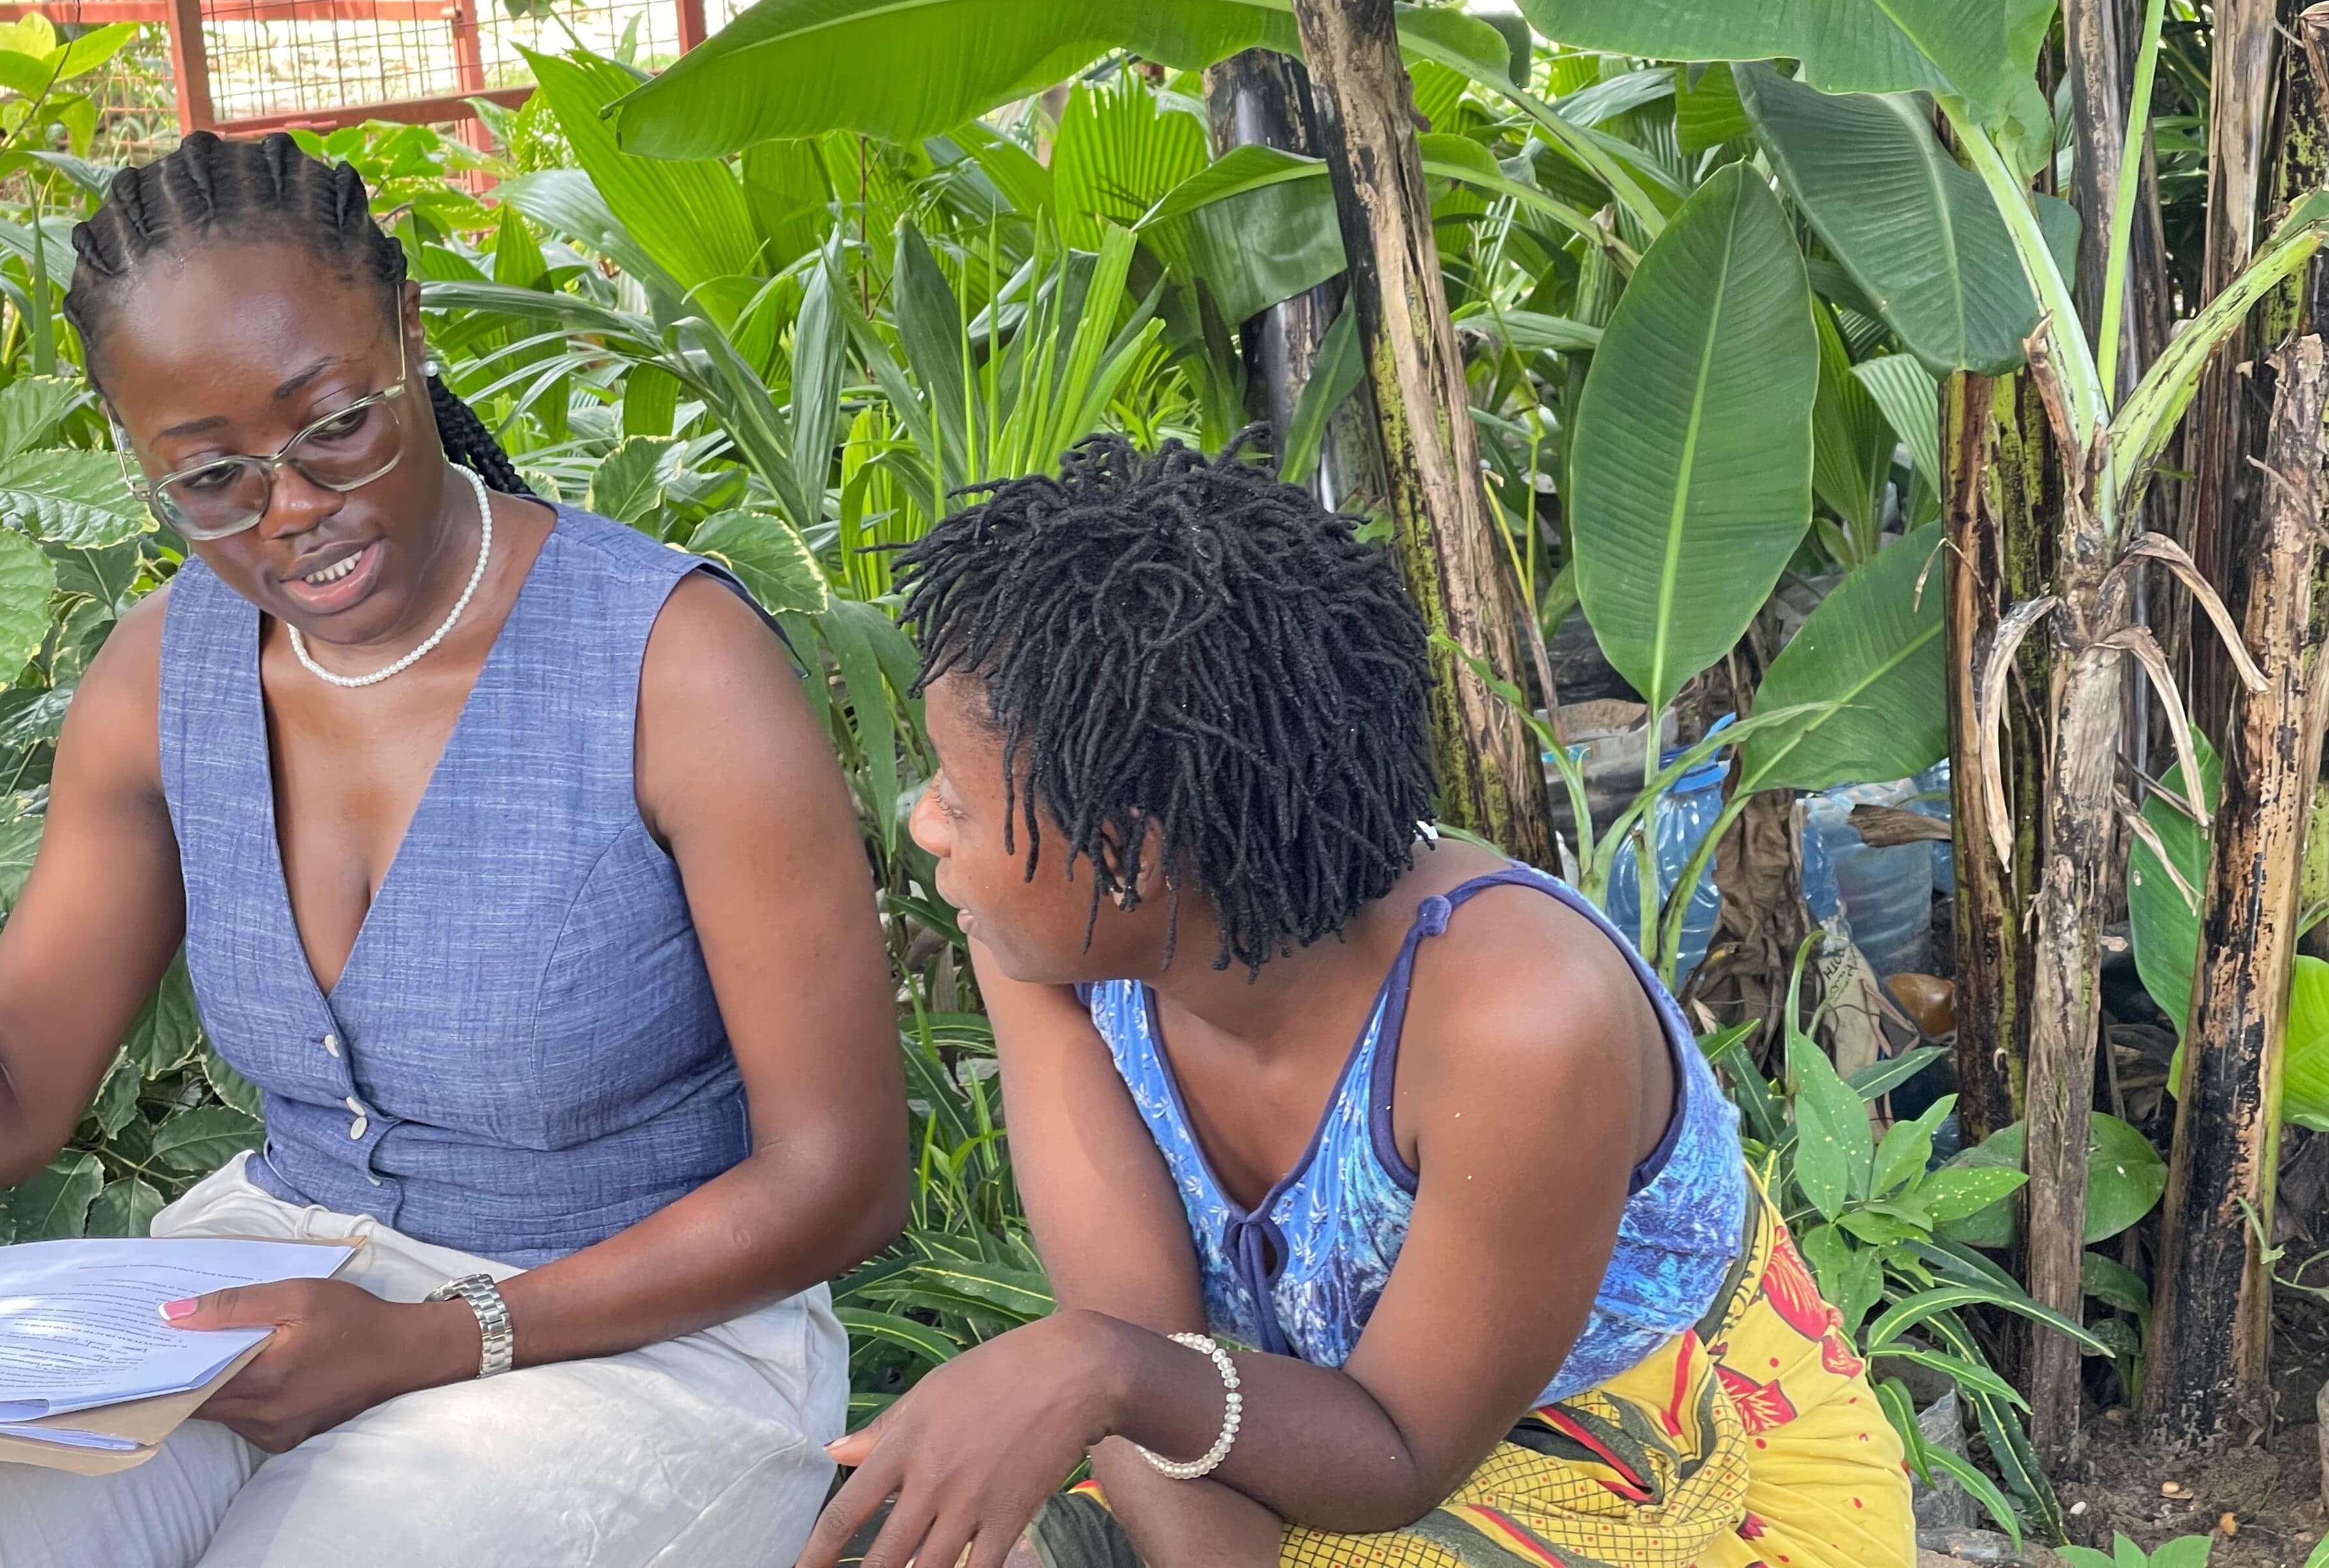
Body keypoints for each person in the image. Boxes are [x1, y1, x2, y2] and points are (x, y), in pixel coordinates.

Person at [0, 130, 908, 1568]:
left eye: (336, 425)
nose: (294, 511)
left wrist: (431, 1339)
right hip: (280, 1285)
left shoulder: (674, 666)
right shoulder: (163, 675)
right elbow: (4, 1085)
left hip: (636, 1333)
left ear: (407, 334)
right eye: (213, 477)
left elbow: (842, 1174)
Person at [802, 438, 1912, 1568]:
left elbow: (1387, 1449)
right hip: (1283, 1429)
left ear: (1125, 855)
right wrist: (1108, 1377)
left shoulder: (1517, 1020)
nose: (920, 821)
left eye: (954, 793)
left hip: (1676, 1464)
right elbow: (1145, 1351)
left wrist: (1102, 1375)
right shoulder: (1050, 949)